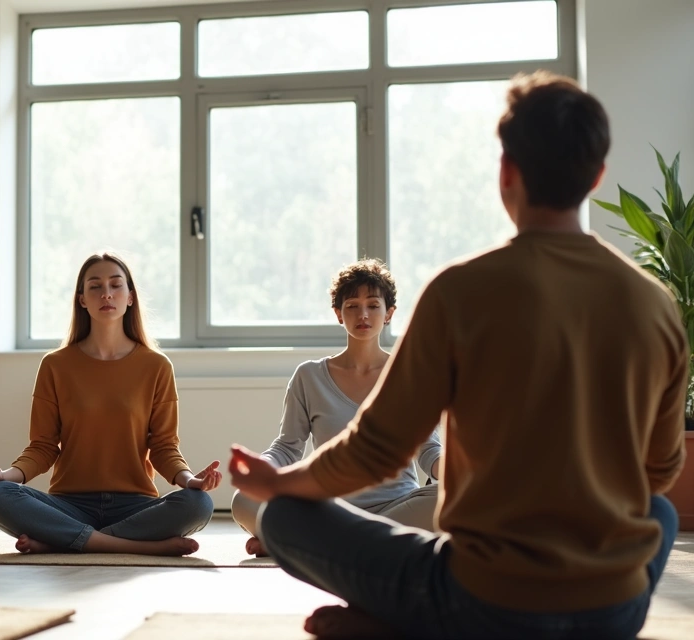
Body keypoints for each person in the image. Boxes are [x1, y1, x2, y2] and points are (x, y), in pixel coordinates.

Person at [230, 71, 685, 639]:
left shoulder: (460, 291)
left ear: (506, 171)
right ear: (597, 176)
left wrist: (278, 485)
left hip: (483, 604)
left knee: (284, 515)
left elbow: (374, 452)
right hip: (612, 611)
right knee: (662, 514)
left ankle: (411, 621)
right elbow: (659, 471)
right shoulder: (655, 304)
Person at [0, 253, 220, 556]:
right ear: (82, 300)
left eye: (116, 285)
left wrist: (190, 480)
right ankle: (133, 546)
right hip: (69, 504)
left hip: (135, 505)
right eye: (95, 286)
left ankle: (64, 541)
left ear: (130, 297)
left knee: (198, 503)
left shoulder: (156, 366)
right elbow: (43, 447)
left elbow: (163, 447)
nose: (106, 294)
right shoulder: (55, 365)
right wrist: (4, 476)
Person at [231, 259, 442, 557]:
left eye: (373, 305)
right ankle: (361, 548)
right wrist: (262, 468)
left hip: (396, 508)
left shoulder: (410, 374)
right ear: (338, 314)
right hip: (328, 511)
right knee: (244, 500)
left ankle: (306, 546)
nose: (363, 314)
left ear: (389, 313)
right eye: (352, 306)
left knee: (449, 495)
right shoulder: (309, 376)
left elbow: (429, 449)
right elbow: (288, 448)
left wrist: (457, 474)